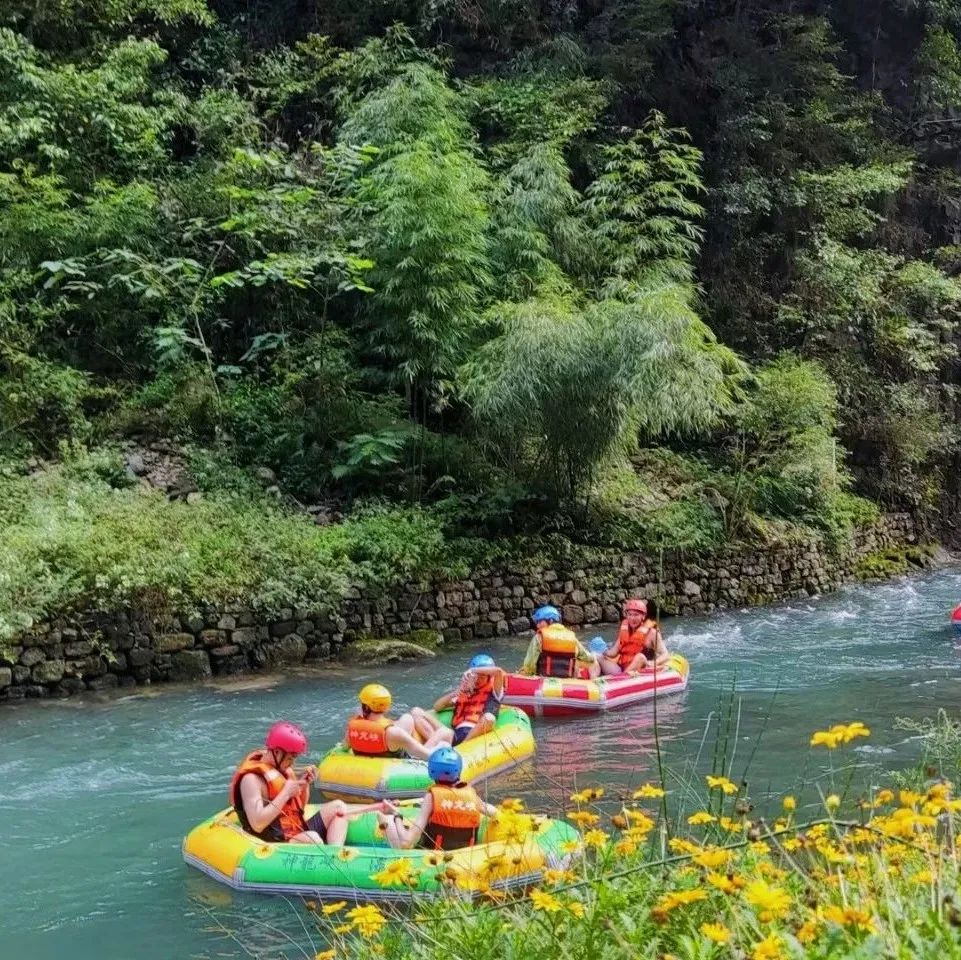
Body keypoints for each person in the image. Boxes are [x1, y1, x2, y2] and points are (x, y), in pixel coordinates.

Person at [230, 721, 394, 845]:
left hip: (292, 830)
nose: (293, 762)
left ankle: (335, 856)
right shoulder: (251, 780)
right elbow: (257, 824)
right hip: (274, 840)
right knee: (313, 838)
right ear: (277, 752)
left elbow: (298, 809)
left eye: (295, 757)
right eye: (291, 757)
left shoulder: (283, 770)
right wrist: (286, 792)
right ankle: (328, 859)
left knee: (339, 807)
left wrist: (304, 785)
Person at [378, 747, 497, 850]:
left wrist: (396, 814)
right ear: (459, 770)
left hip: (435, 853)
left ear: (432, 772)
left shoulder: (431, 797)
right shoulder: (471, 795)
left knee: (384, 817)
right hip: (465, 853)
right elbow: (495, 813)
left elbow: (406, 842)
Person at [345, 683, 452, 761]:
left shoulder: (352, 727)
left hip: (372, 757)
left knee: (407, 718)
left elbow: (344, 747)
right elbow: (429, 756)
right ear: (387, 707)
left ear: (365, 706)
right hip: (403, 763)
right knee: (446, 732)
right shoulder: (394, 733)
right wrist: (442, 745)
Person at [433, 654, 505, 745]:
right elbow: (437, 707)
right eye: (475, 676)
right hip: (455, 733)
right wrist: (454, 693)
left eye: (482, 677)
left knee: (489, 718)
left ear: (489, 677)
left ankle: (463, 746)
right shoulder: (464, 691)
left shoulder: (494, 692)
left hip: (473, 733)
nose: (478, 679)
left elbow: (498, 671)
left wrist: (473, 670)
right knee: (417, 712)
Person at [518, 604, 601, 679]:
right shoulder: (571, 637)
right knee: (593, 660)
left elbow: (529, 666)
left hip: (544, 680)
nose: (537, 625)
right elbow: (588, 658)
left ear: (550, 621)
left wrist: (521, 674)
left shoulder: (538, 637)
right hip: (567, 681)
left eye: (540, 621)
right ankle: (593, 681)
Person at [599, 598, 671, 675]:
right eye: (629, 614)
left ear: (643, 616)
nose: (632, 618)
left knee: (640, 657)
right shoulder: (624, 630)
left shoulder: (652, 633)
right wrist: (603, 651)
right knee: (597, 656)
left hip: (640, 670)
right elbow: (614, 653)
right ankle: (592, 682)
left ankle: (622, 679)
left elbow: (665, 655)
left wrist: (653, 663)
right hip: (622, 668)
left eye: (636, 615)